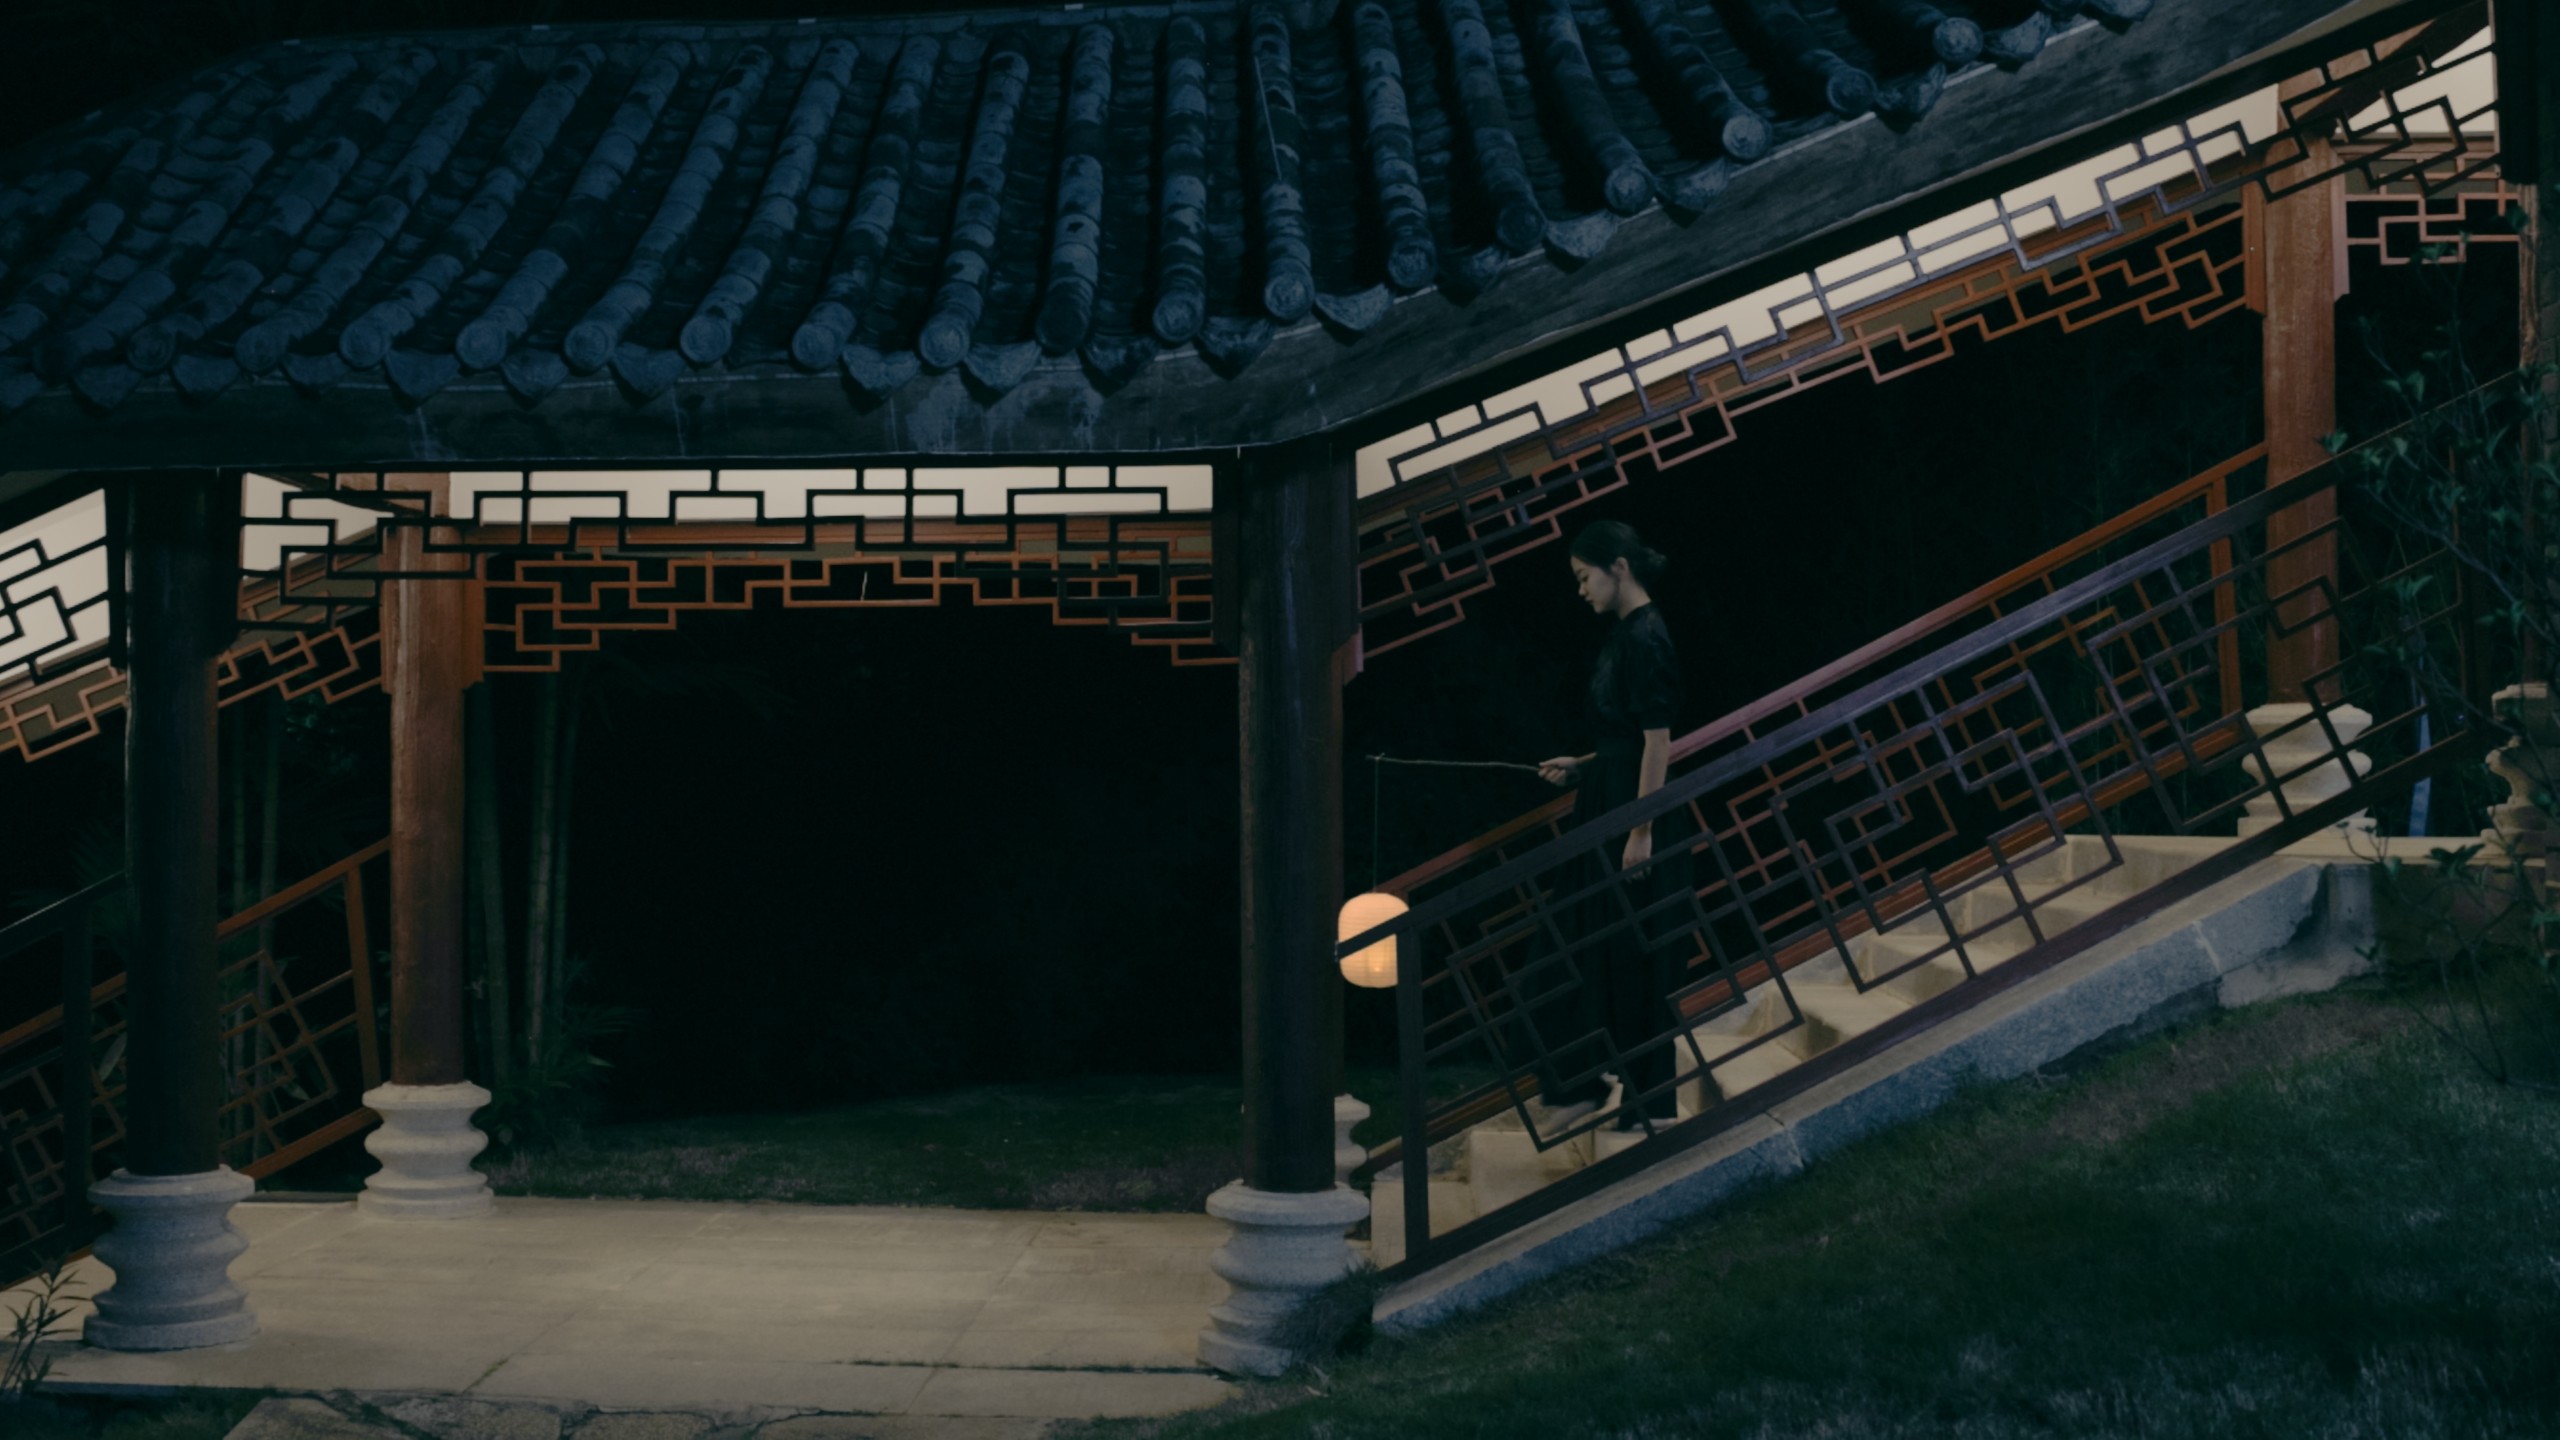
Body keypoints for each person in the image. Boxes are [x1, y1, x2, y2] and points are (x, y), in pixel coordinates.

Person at [1524, 519, 1698, 1131]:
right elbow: (1625, 738)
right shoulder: (1627, 634)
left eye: (1584, 577)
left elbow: (1658, 741)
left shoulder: (1647, 634)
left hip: (1632, 813)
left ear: (1618, 568)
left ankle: (1600, 1088)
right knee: (1587, 947)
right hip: (1610, 799)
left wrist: (1640, 831)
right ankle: (1588, 1084)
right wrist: (1583, 764)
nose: (1581, 590)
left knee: (1623, 951)